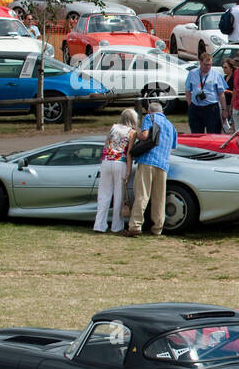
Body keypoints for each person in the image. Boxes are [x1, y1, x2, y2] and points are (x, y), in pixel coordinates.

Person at [124, 101, 177, 237]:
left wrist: (136, 132)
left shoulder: (150, 118)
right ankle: (157, 228)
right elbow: (172, 147)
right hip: (163, 164)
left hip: (148, 161)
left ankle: (135, 226)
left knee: (142, 195)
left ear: (149, 111)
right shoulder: (172, 126)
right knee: (159, 198)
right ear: (162, 111)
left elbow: (145, 136)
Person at [94, 108, 139, 233]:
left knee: (104, 194)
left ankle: (99, 225)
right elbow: (129, 153)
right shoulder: (132, 132)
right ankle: (116, 226)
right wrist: (129, 171)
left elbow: (105, 145)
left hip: (107, 160)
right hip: (120, 162)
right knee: (119, 195)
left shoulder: (113, 127)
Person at [184, 49, 228, 134]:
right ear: (200, 63)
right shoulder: (192, 73)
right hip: (196, 107)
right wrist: (190, 105)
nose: (208, 67)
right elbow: (188, 90)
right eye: (206, 65)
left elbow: (221, 93)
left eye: (210, 65)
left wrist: (224, 109)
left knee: (213, 134)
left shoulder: (216, 74)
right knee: (196, 134)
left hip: (211, 108)